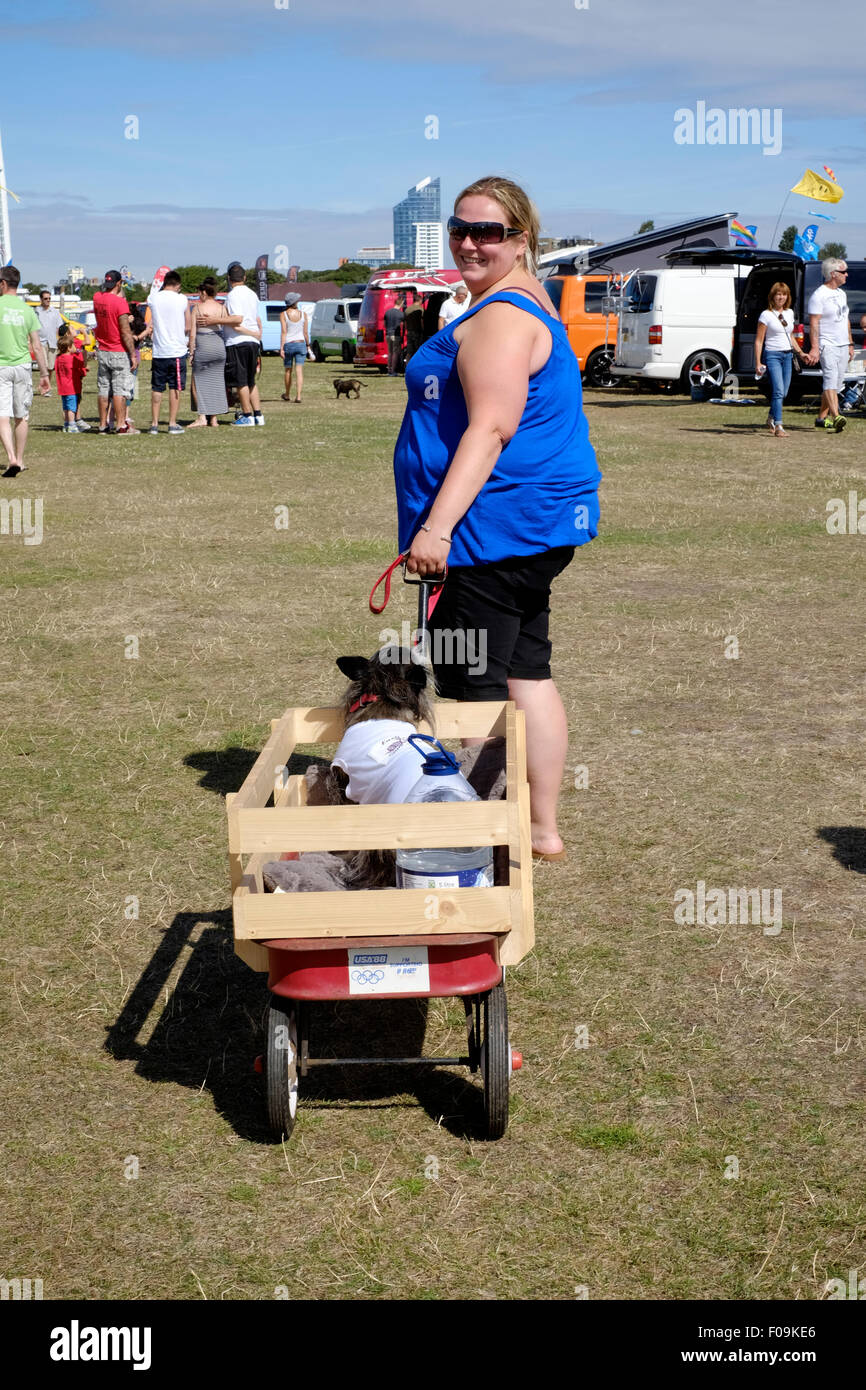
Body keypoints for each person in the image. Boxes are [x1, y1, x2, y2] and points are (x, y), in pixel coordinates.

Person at [395, 174, 601, 862]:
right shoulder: (520, 299)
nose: (471, 242)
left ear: (522, 240)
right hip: (527, 528)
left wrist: (436, 529)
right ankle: (538, 830)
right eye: (461, 228)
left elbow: (490, 428)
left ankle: (486, 843)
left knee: (472, 689)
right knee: (526, 673)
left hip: (490, 532)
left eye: (491, 231)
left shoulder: (501, 316)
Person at [0, 264, 49, 476]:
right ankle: (19, 459)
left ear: (2, 284)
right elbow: (37, 345)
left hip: (1, 366)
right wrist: (45, 374)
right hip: (22, 366)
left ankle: (10, 457)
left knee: (2, 416)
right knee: (22, 415)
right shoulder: (27, 310)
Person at [187, 276, 251, 427]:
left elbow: (192, 333)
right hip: (218, 345)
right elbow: (227, 325)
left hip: (203, 345)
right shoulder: (222, 308)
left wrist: (191, 352)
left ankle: (202, 417)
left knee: (198, 382)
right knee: (215, 383)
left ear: (203, 293)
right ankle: (214, 418)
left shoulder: (197, 308)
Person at [805, 258, 854, 432]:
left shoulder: (841, 294)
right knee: (830, 380)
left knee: (836, 383)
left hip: (842, 344)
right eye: (843, 272)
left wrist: (850, 343)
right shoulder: (819, 295)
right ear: (833, 274)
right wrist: (815, 347)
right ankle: (836, 416)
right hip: (827, 344)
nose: (846, 274)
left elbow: (845, 319)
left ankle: (821, 418)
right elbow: (814, 324)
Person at [754, 283, 807, 437]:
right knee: (778, 391)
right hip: (772, 355)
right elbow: (759, 341)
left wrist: (800, 352)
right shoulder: (766, 315)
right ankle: (779, 426)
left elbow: (790, 336)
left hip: (788, 355)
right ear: (772, 296)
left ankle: (771, 417)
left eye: (784, 294)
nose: (781, 297)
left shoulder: (789, 313)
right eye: (778, 294)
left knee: (783, 392)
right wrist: (758, 362)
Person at [92, 270, 136, 434]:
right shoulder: (120, 303)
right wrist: (132, 354)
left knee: (103, 389)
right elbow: (125, 331)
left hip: (103, 350)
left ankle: (103, 425)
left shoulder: (97, 298)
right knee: (119, 390)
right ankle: (120, 425)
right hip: (118, 350)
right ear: (119, 284)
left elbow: (103, 295)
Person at [147, 271, 190, 434]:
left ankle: (154, 424)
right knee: (175, 387)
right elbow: (187, 324)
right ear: (178, 285)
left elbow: (151, 298)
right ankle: (172, 423)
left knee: (157, 388)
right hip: (177, 350)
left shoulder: (154, 298)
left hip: (159, 351)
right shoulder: (182, 299)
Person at [222, 263, 264, 426]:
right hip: (253, 343)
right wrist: (255, 334)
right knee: (250, 380)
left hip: (238, 341)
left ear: (229, 279)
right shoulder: (252, 294)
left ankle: (247, 415)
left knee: (241, 382)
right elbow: (256, 318)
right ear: (244, 278)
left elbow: (236, 319)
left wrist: (217, 320)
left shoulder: (232, 296)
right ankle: (258, 414)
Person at [54, 326, 88, 432]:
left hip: (63, 387)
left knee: (66, 407)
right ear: (69, 347)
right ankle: (72, 425)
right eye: (73, 345)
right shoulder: (71, 358)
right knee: (72, 407)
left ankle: (67, 425)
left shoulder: (58, 358)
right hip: (72, 387)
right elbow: (80, 366)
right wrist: (85, 369)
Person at [280, 293, 309, 402]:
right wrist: (308, 345)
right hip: (301, 343)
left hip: (289, 344)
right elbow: (305, 333)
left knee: (288, 370)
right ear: (295, 302)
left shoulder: (283, 314)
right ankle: (298, 396)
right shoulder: (303, 314)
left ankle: (287, 394)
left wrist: (281, 348)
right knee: (299, 371)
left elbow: (284, 332)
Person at [34, 289, 64, 382]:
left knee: (51, 367)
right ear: (41, 299)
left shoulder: (55, 312)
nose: (48, 300)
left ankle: (47, 384)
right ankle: (44, 385)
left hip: (53, 342)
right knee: (44, 366)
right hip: (41, 342)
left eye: (49, 298)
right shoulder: (36, 311)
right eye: (45, 298)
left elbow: (60, 327)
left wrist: (61, 341)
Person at [384, 295, 404, 375]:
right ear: (401, 303)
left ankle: (389, 370)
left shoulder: (387, 312)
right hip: (396, 335)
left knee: (390, 353)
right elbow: (403, 324)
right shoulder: (401, 314)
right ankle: (393, 371)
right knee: (395, 353)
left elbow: (385, 324)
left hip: (388, 334)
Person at [403, 292, 424, 361]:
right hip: (417, 332)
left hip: (409, 332)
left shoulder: (407, 309)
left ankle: (407, 366)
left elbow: (405, 322)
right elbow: (422, 322)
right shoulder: (421, 309)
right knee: (418, 350)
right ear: (420, 300)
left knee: (409, 352)